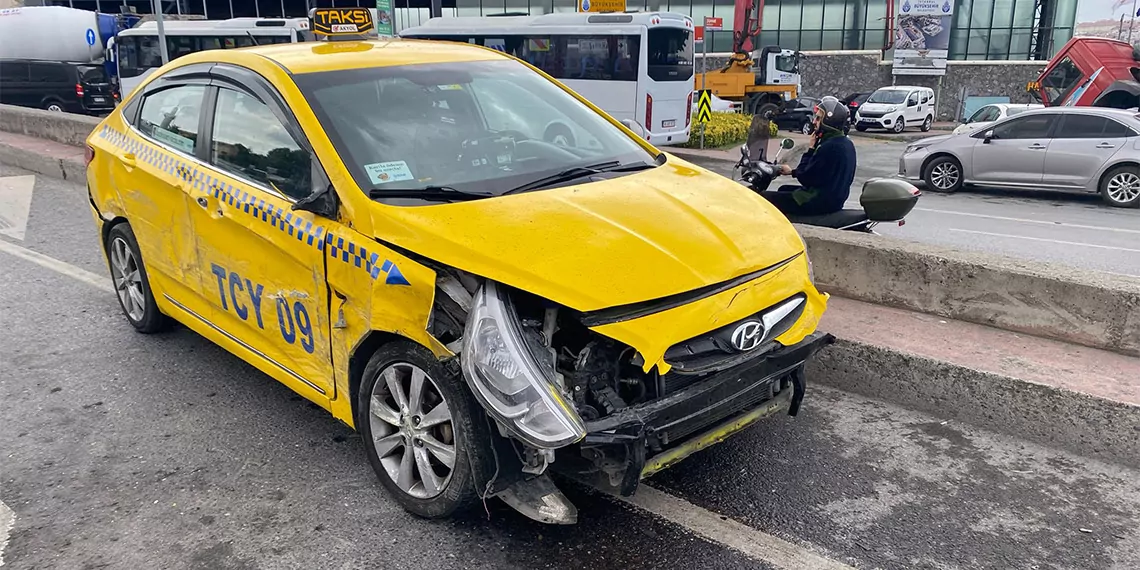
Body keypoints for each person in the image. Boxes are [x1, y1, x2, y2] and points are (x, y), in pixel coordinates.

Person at [760, 96, 856, 217]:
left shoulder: (829, 147)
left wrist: (810, 150)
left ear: (828, 121)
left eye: (818, 118)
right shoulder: (844, 142)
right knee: (783, 188)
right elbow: (815, 174)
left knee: (763, 199)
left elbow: (806, 177)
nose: (814, 122)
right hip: (833, 198)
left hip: (819, 201)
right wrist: (792, 172)